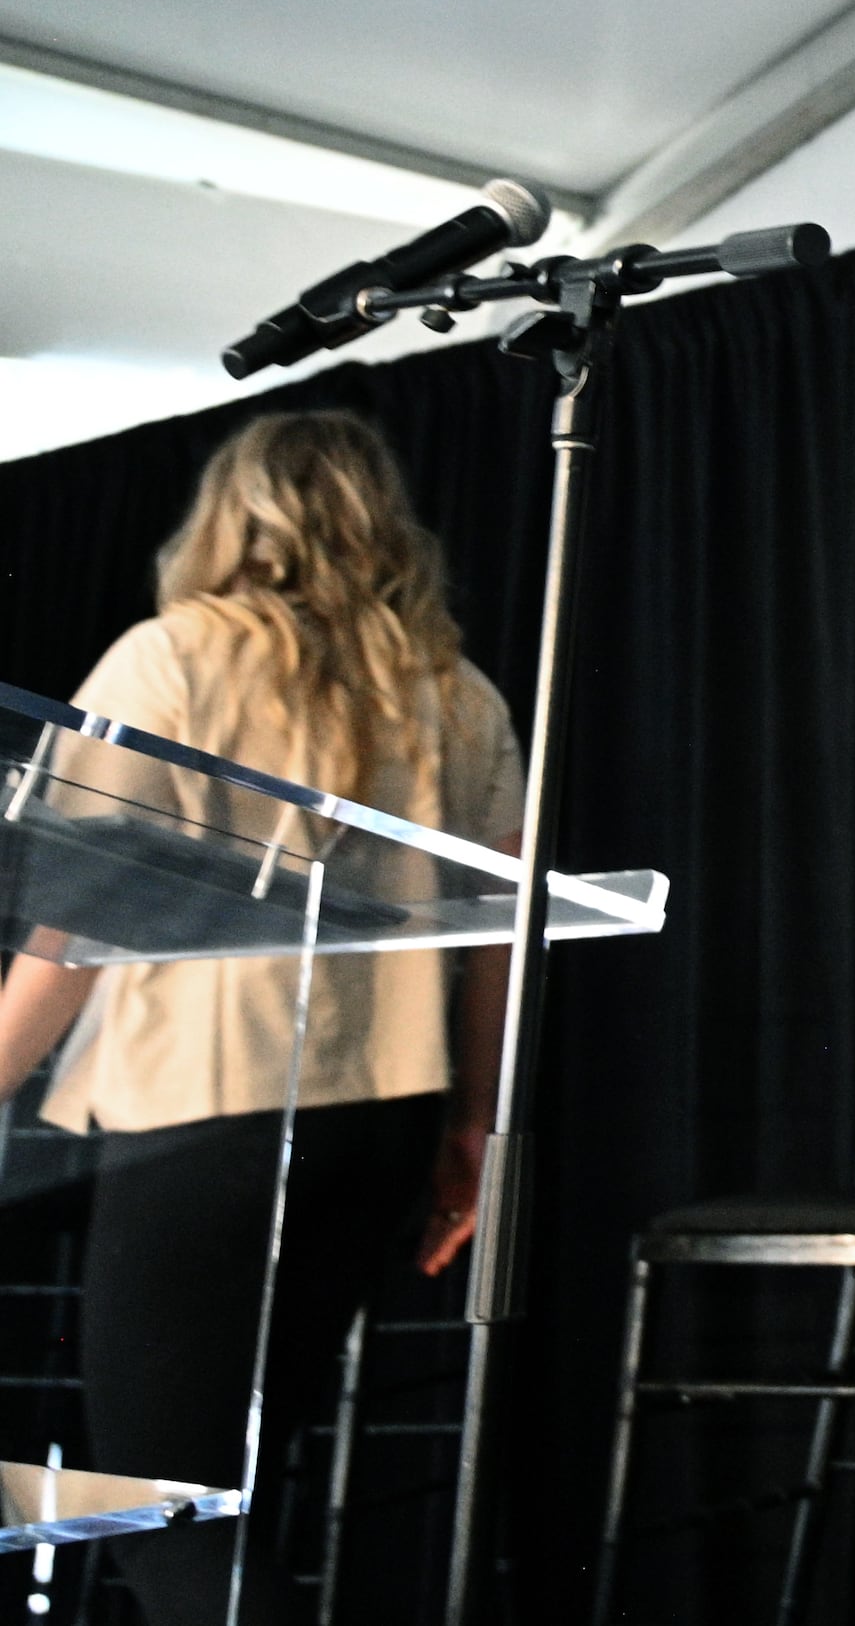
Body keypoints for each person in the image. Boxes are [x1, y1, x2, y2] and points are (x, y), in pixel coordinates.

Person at [0, 410, 518, 1626]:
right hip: (378, 1125)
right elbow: (496, 941)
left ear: (227, 513)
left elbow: (72, 923)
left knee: (156, 1508)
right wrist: (473, 1132)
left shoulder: (170, 657)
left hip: (205, 1120)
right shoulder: (458, 690)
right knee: (226, 1499)